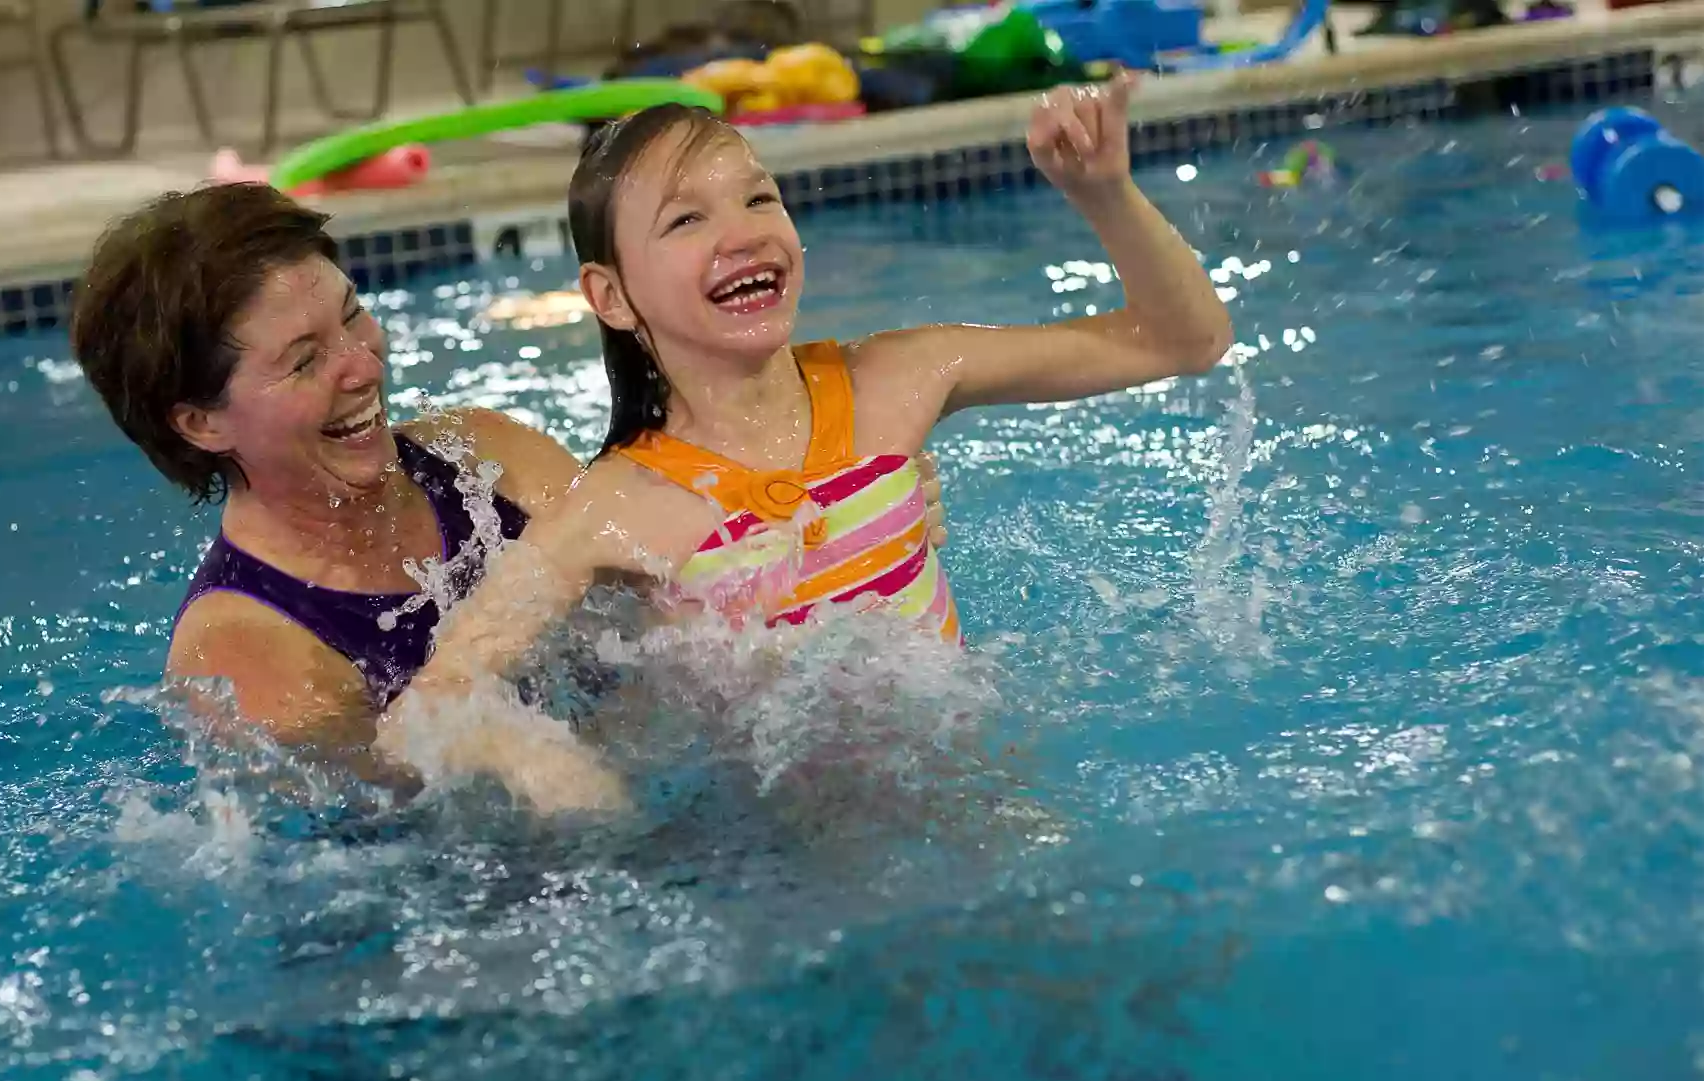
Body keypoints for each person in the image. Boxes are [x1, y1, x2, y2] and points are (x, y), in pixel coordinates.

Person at [375, 75, 1233, 808]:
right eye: (686, 221)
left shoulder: (899, 382)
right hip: (795, 862)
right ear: (611, 295)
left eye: (759, 196)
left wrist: (1105, 194)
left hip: (986, 796)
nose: (743, 231)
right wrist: (543, 761)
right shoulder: (617, 511)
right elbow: (424, 708)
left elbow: (1181, 340)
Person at [68, 183, 950, 790]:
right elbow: (396, 841)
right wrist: (511, 755)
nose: (362, 362)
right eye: (304, 360)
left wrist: (841, 515)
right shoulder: (245, 653)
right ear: (201, 423)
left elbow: (681, 579)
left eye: (351, 314)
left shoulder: (486, 458)